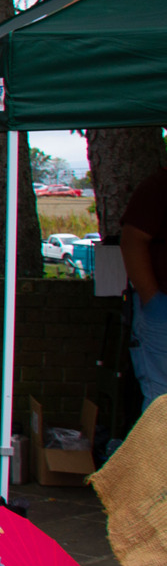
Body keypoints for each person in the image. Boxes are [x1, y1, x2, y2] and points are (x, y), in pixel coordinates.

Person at [119, 167, 167, 410]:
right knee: (162, 405)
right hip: (162, 312)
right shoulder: (160, 186)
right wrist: (153, 300)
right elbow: (132, 240)